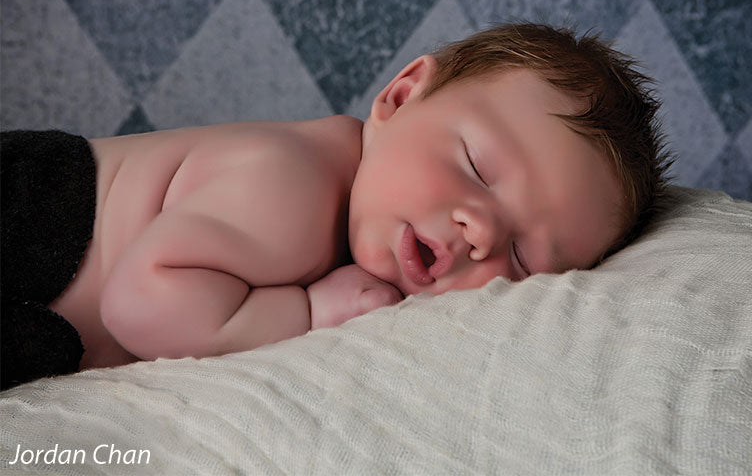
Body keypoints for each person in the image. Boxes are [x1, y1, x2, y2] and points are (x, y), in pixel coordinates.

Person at [0, 23, 670, 389]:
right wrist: (311, 314)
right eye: (476, 166)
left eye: (523, 257)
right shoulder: (294, 191)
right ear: (402, 97)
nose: (480, 231)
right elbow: (137, 304)